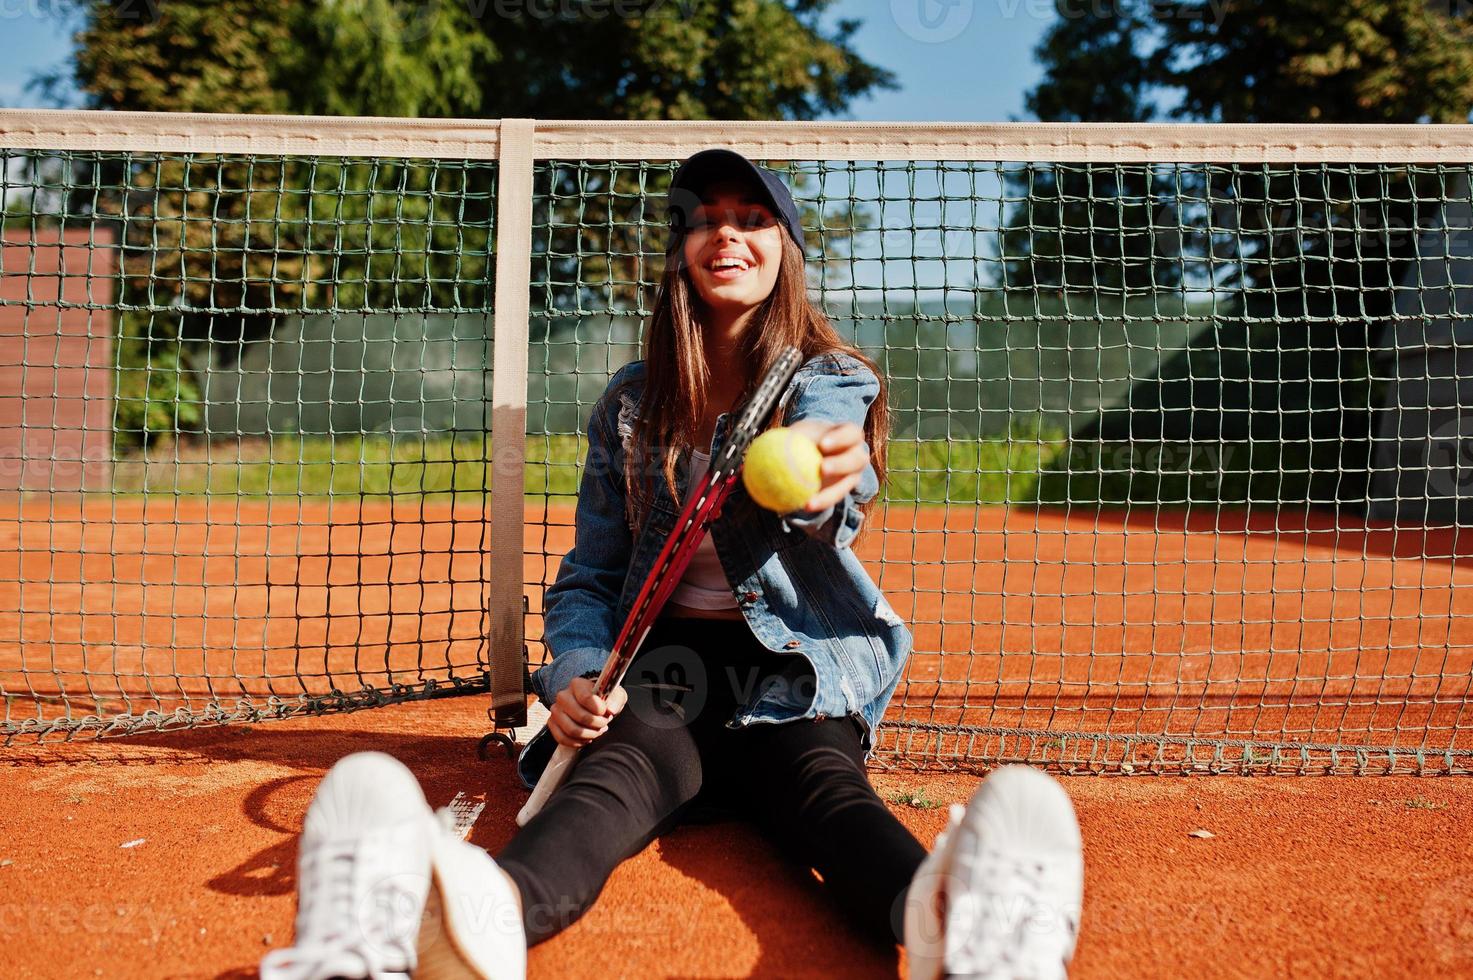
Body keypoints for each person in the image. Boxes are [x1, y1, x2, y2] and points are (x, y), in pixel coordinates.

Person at [260, 149, 1084, 980]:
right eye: (704, 219)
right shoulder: (628, 404)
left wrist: (820, 471)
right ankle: (444, 932)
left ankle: (975, 939)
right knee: (601, 788)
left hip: (791, 675)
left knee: (829, 795)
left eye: (752, 219)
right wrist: (575, 674)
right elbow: (589, 574)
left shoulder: (830, 381)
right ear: (680, 251)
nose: (726, 234)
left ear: (784, 248)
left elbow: (833, 468)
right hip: (657, 677)